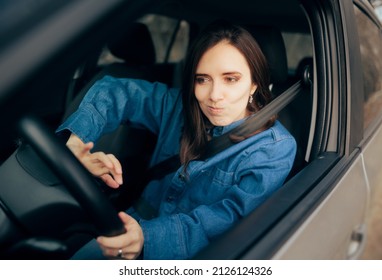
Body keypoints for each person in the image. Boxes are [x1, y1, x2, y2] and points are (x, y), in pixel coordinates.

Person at [56, 20, 297, 260]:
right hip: (128, 223)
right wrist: (76, 141)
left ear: (254, 82)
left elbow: (231, 219)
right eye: (202, 79)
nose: (214, 96)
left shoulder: (274, 148)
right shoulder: (177, 107)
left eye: (230, 79)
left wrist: (146, 239)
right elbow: (116, 91)